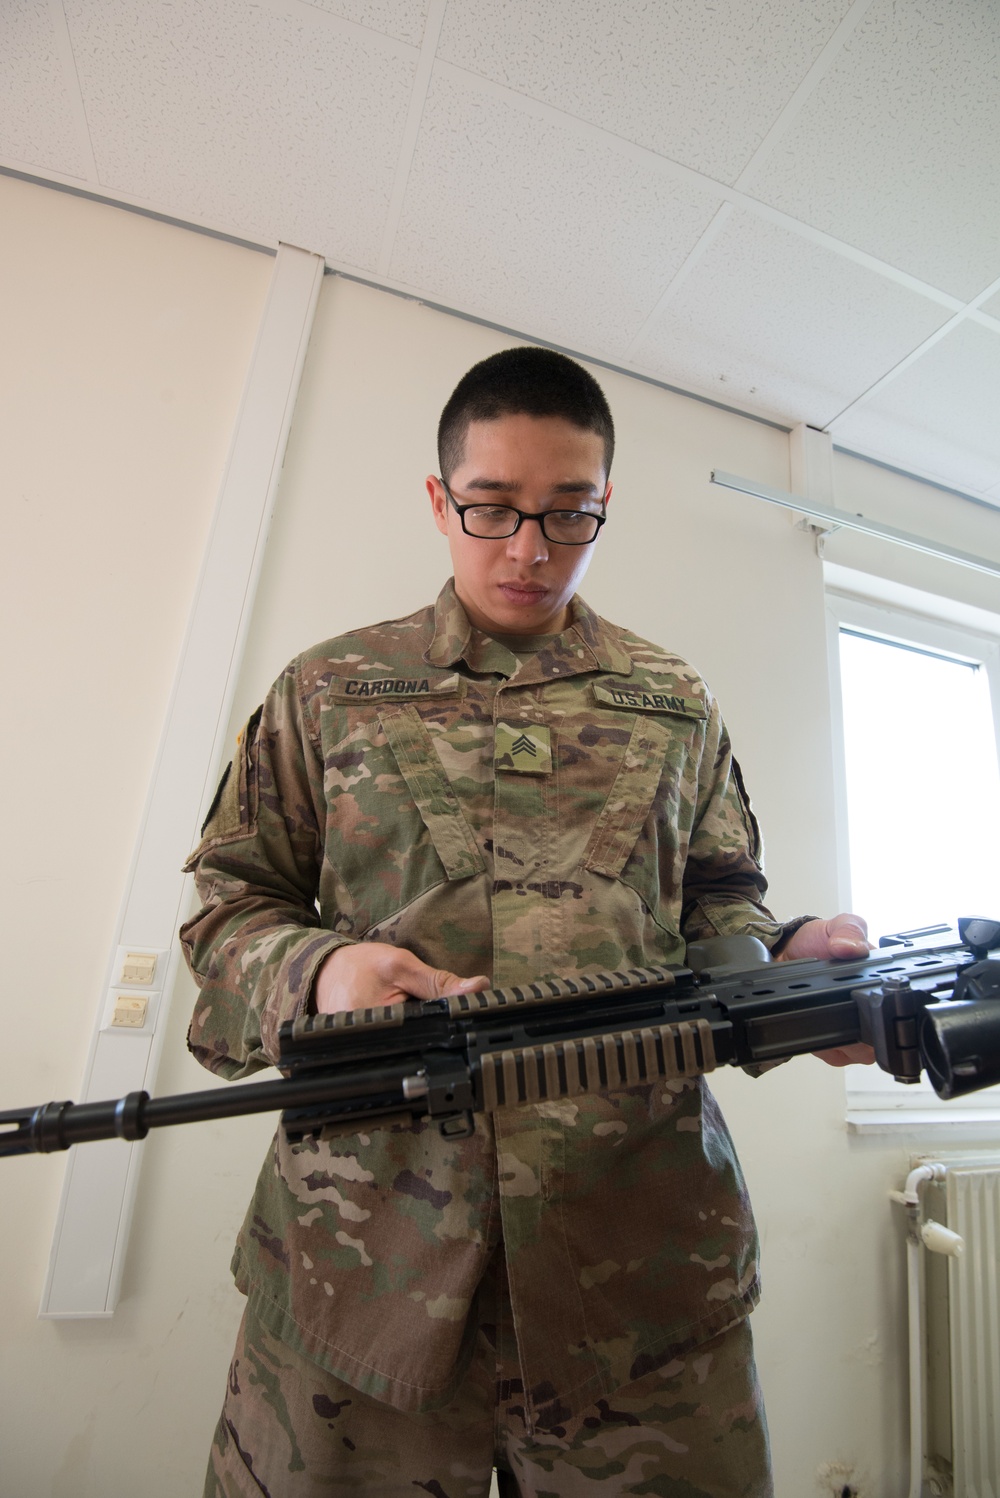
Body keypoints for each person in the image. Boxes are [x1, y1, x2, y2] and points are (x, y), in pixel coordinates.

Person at [181, 346, 871, 1498]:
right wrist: (323, 969)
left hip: (638, 1273)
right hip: (365, 1276)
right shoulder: (330, 689)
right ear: (438, 497)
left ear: (605, 505)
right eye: (492, 509)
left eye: (570, 515)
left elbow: (718, 902)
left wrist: (777, 970)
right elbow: (224, 904)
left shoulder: (673, 700)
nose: (529, 550)